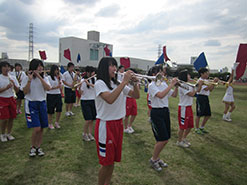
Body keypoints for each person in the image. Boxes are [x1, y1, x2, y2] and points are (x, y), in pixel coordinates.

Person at [94, 57, 140, 185]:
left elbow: (136, 95)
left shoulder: (117, 83)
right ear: (104, 67)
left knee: (112, 160)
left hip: (118, 124)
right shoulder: (100, 83)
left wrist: (135, 83)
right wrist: (124, 82)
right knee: (106, 163)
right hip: (106, 125)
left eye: (115, 65)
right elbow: (109, 99)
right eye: (111, 66)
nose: (115, 69)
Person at [148, 65, 178, 171]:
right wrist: (171, 85)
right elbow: (160, 95)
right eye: (161, 72)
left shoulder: (164, 84)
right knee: (162, 139)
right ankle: (153, 159)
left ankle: (156, 158)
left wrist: (177, 86)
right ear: (153, 74)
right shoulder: (152, 85)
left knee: (165, 138)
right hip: (156, 112)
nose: (163, 74)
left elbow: (173, 95)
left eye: (163, 72)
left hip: (165, 111)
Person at [21, 59, 51, 157]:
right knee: (37, 128)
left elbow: (48, 88)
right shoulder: (27, 78)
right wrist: (30, 79)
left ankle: (38, 147)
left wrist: (39, 77)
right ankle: (32, 147)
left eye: (41, 66)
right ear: (33, 67)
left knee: (42, 128)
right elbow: (25, 92)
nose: (40, 68)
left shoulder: (45, 78)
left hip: (42, 103)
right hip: (32, 104)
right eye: (38, 66)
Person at [0, 61, 19, 142]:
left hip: (11, 98)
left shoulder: (12, 77)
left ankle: (9, 133)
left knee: (11, 117)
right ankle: (2, 134)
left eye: (7, 67)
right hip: (2, 99)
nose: (6, 68)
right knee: (4, 118)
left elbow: (17, 90)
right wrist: (6, 88)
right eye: (4, 67)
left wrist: (14, 84)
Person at [195, 67, 218, 134]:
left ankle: (202, 127)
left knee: (208, 114)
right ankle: (197, 128)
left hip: (206, 98)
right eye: (206, 73)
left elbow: (210, 89)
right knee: (199, 114)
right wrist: (213, 82)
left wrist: (214, 83)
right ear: (202, 74)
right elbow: (206, 89)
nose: (208, 75)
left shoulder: (207, 80)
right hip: (200, 97)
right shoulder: (200, 81)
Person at [177, 70, 196, 148]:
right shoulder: (182, 85)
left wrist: (195, 87)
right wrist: (196, 87)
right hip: (184, 108)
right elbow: (191, 94)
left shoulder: (189, 85)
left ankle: (183, 138)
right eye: (188, 75)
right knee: (182, 126)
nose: (189, 76)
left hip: (189, 106)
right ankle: (179, 141)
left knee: (190, 126)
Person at [79, 66, 96, 141]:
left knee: (92, 119)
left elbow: (96, 87)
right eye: (92, 72)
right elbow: (81, 93)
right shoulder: (83, 80)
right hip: (85, 101)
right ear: (88, 72)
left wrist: (88, 83)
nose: (94, 73)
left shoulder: (94, 79)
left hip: (93, 100)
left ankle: (90, 133)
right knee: (88, 119)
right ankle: (84, 134)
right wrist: (79, 87)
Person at [46, 65, 63, 129]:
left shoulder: (58, 77)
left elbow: (61, 86)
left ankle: (57, 122)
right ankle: (50, 123)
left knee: (59, 109)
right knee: (50, 110)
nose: (57, 71)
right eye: (56, 70)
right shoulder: (48, 78)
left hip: (58, 94)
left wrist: (59, 81)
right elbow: (49, 87)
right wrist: (56, 87)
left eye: (58, 70)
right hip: (50, 95)